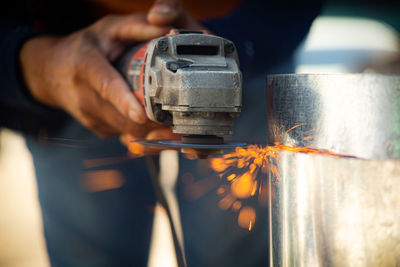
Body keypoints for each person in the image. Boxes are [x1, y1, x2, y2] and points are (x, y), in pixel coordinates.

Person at [1, 0, 321, 266]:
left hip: (245, 45)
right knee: (91, 256)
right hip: (66, 54)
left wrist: (243, 44)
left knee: (236, 250)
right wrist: (31, 60)